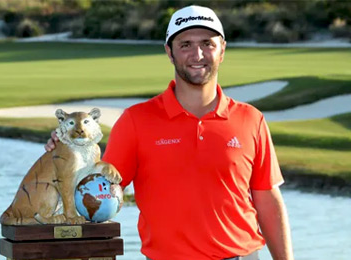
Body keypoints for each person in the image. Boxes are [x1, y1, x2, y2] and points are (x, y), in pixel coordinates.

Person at [46, 5, 293, 260]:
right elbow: (99, 189)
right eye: (185, 44)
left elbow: (267, 200)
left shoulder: (251, 119)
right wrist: (69, 150)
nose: (197, 54)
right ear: (169, 52)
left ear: (222, 50)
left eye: (207, 43)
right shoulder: (136, 121)